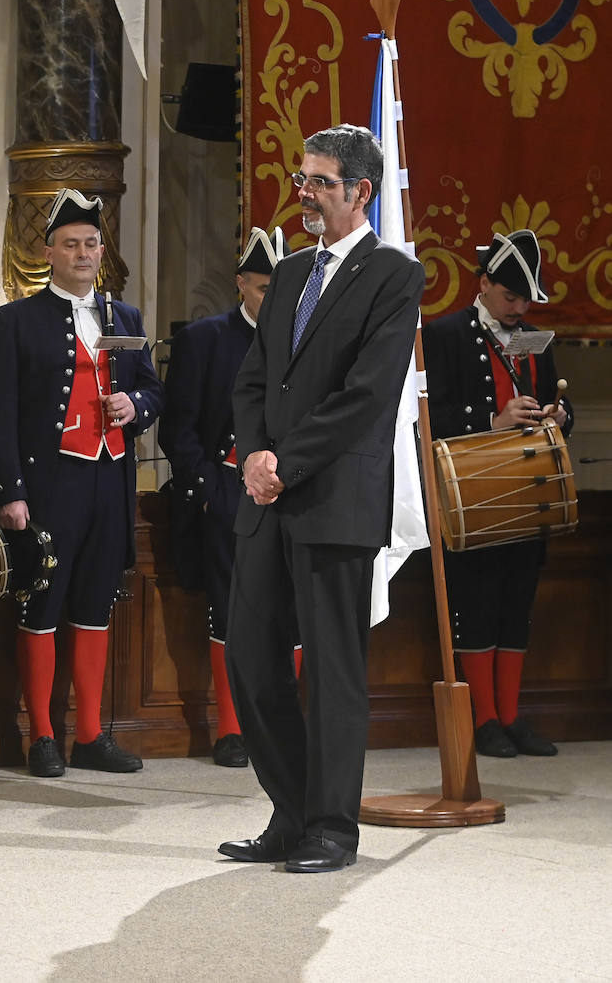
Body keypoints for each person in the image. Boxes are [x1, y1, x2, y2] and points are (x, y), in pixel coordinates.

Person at [218, 124, 422, 873]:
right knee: (250, 657)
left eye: (320, 182)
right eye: (301, 179)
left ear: (361, 191)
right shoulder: (291, 271)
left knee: (333, 670)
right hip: (266, 497)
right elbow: (252, 380)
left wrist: (287, 462)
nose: (303, 193)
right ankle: (292, 810)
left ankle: (332, 828)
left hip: (334, 499)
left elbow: (367, 395)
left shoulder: (395, 275)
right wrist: (254, 456)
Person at [0, 188, 164, 777]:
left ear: (102, 251)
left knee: (95, 604)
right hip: (50, 482)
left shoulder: (125, 318)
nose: (82, 253)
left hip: (111, 480)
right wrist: (10, 491)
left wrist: (135, 406)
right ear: (49, 252)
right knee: (42, 603)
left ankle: (89, 736)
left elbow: (152, 390)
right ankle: (41, 736)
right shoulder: (13, 320)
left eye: (90, 244)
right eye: (70, 244)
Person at [421, 229, 572, 759]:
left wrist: (558, 416)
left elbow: (559, 403)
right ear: (483, 283)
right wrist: (491, 420)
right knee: (478, 603)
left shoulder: (534, 338)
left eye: (526, 300)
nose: (519, 309)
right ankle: (483, 718)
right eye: (510, 297)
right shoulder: (443, 335)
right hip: (473, 494)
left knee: (516, 605)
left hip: (530, 490)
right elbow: (425, 417)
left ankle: (511, 717)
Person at [159, 227, 302, 769]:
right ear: (241, 283)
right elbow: (180, 430)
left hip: (293, 493)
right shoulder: (205, 339)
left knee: (292, 612)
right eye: (264, 288)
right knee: (230, 611)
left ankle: (284, 725)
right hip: (227, 493)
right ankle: (232, 729)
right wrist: (211, 494)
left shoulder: (307, 338)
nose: (273, 300)